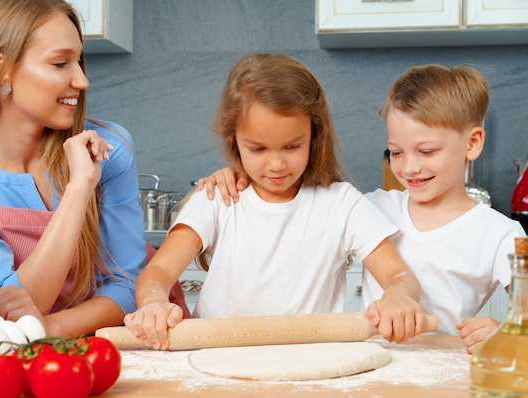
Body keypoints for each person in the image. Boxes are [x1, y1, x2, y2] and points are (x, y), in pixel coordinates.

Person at [200, 63, 527, 354]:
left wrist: (510, 336)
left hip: (441, 373)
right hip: (371, 365)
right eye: (396, 152)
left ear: (472, 143)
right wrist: (238, 175)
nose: (410, 167)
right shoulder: (374, 206)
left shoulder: (501, 235)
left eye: (426, 151)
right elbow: (296, 198)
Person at [123, 53, 427, 351]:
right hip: (220, 364)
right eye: (257, 149)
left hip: (310, 365)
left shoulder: (341, 204)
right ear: (235, 141)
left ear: (314, 136)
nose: (277, 164)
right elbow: (158, 273)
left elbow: (398, 276)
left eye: (292, 146)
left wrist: (399, 296)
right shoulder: (217, 199)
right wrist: (154, 302)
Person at [0, 0, 157, 338]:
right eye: (61, 63)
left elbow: (126, 284)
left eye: (80, 61)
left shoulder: (108, 150)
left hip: (116, 346)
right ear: (1, 68)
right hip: (25, 354)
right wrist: (79, 189)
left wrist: (48, 327)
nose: (81, 80)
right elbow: (7, 311)